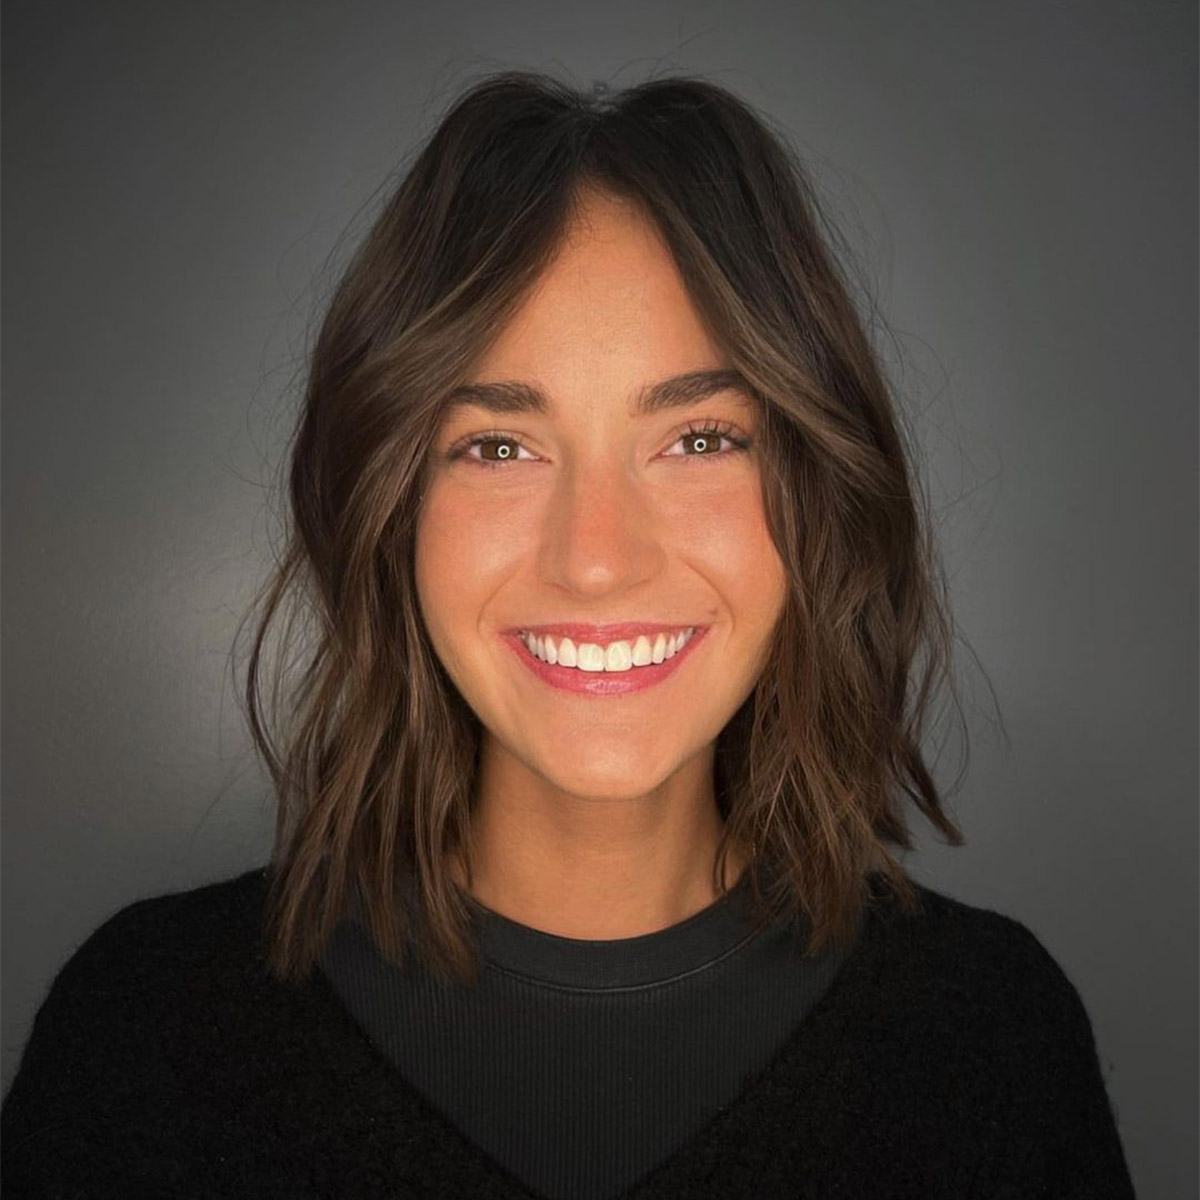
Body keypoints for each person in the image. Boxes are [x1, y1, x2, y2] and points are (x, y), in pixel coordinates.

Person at [1, 70, 1136, 1199]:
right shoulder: (141, 1038)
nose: (595, 558)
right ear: (391, 507)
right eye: (499, 448)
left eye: (700, 440)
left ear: (820, 492)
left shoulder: (995, 1041)